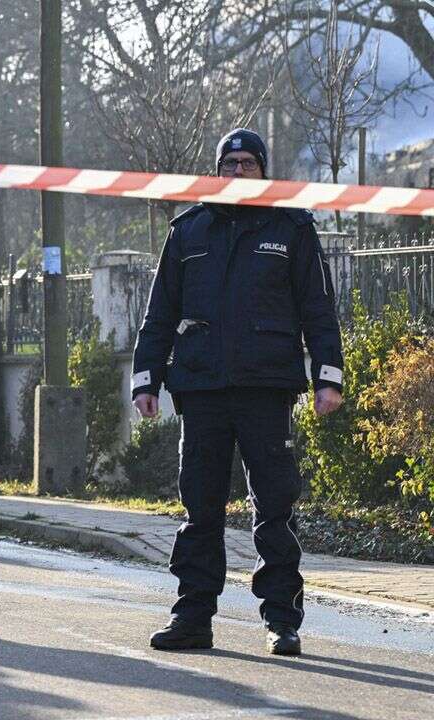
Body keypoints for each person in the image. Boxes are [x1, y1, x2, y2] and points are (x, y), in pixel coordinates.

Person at [131, 128, 344, 656]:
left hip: (266, 387)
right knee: (199, 508)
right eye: (230, 164)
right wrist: (146, 378)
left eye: (249, 164)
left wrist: (328, 375)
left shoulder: (292, 228)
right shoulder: (188, 231)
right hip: (201, 387)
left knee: (274, 507)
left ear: (264, 171)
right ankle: (193, 617)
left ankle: (281, 621)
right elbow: (160, 312)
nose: (239, 172)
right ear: (217, 171)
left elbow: (318, 308)